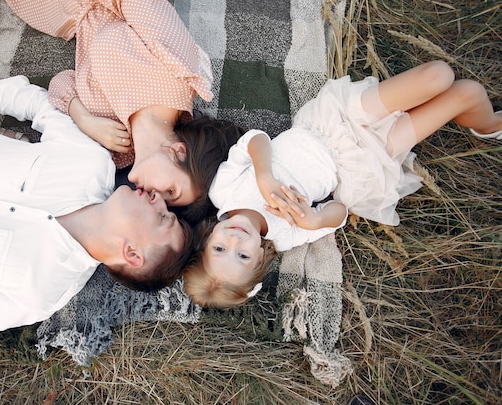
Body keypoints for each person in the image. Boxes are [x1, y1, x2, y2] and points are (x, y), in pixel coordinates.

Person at [0, 73, 194, 334]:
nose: (158, 199)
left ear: (132, 254)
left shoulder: (40, 291)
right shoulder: (90, 163)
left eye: (163, 217)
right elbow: (38, 103)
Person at [183, 60, 502, 308]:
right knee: (468, 93)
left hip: (331, 121)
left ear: (207, 238)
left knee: (439, 75)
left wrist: (264, 174)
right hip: (358, 161)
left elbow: (254, 140)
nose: (236, 243)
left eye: (221, 249)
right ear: (259, 259)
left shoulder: (223, 193)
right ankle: (488, 125)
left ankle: (447, 104)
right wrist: (315, 219)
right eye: (242, 257)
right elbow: (340, 211)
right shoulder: (285, 234)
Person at [0, 0, 240, 218]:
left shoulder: (115, 153)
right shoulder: (180, 77)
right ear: (179, 151)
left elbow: (62, 83)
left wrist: (85, 120)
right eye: (171, 192)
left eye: (165, 205)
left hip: (65, 11)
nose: (156, 200)